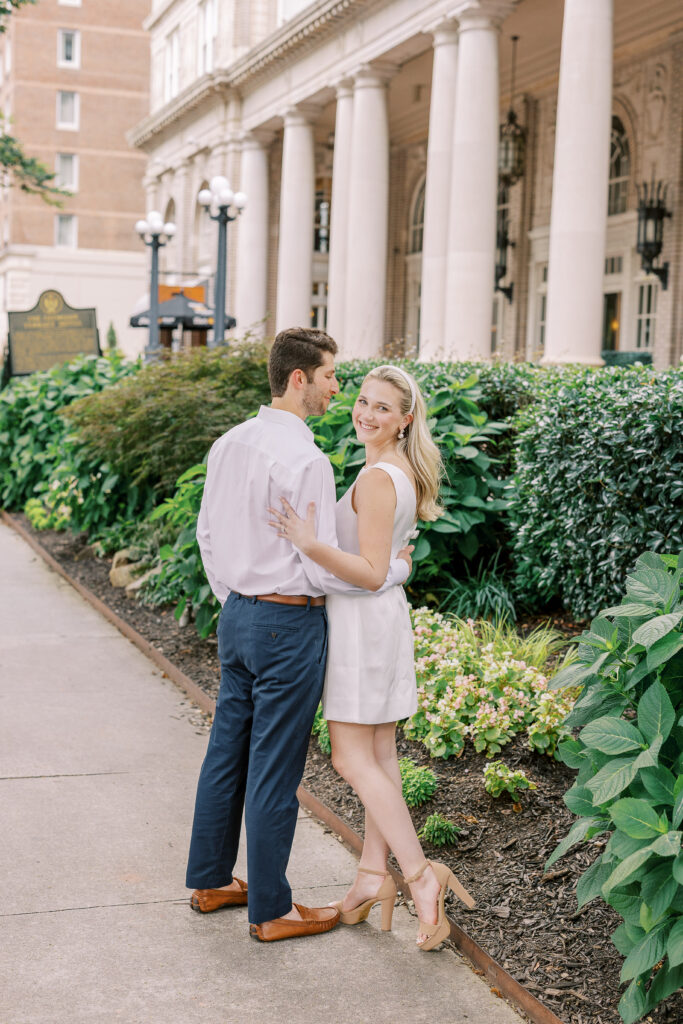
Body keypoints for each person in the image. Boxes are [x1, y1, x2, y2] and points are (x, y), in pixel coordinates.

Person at [185, 327, 413, 943]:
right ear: (299, 379)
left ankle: (210, 881)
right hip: (287, 622)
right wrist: (391, 570)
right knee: (275, 768)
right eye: (332, 376)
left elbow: (207, 534)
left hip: (236, 616)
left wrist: (234, 597)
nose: (339, 388)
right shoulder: (306, 459)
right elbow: (318, 566)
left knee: (226, 752)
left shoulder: (230, 443)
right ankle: (272, 909)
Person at [269, 364, 475, 951]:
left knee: (350, 759)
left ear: (405, 419)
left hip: (362, 630)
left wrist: (311, 545)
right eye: (363, 400)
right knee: (379, 758)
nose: (366, 413)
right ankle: (370, 877)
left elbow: (368, 571)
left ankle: (419, 879)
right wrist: (393, 568)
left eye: (383, 407)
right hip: (376, 623)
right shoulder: (392, 471)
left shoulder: (381, 478)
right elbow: (387, 568)